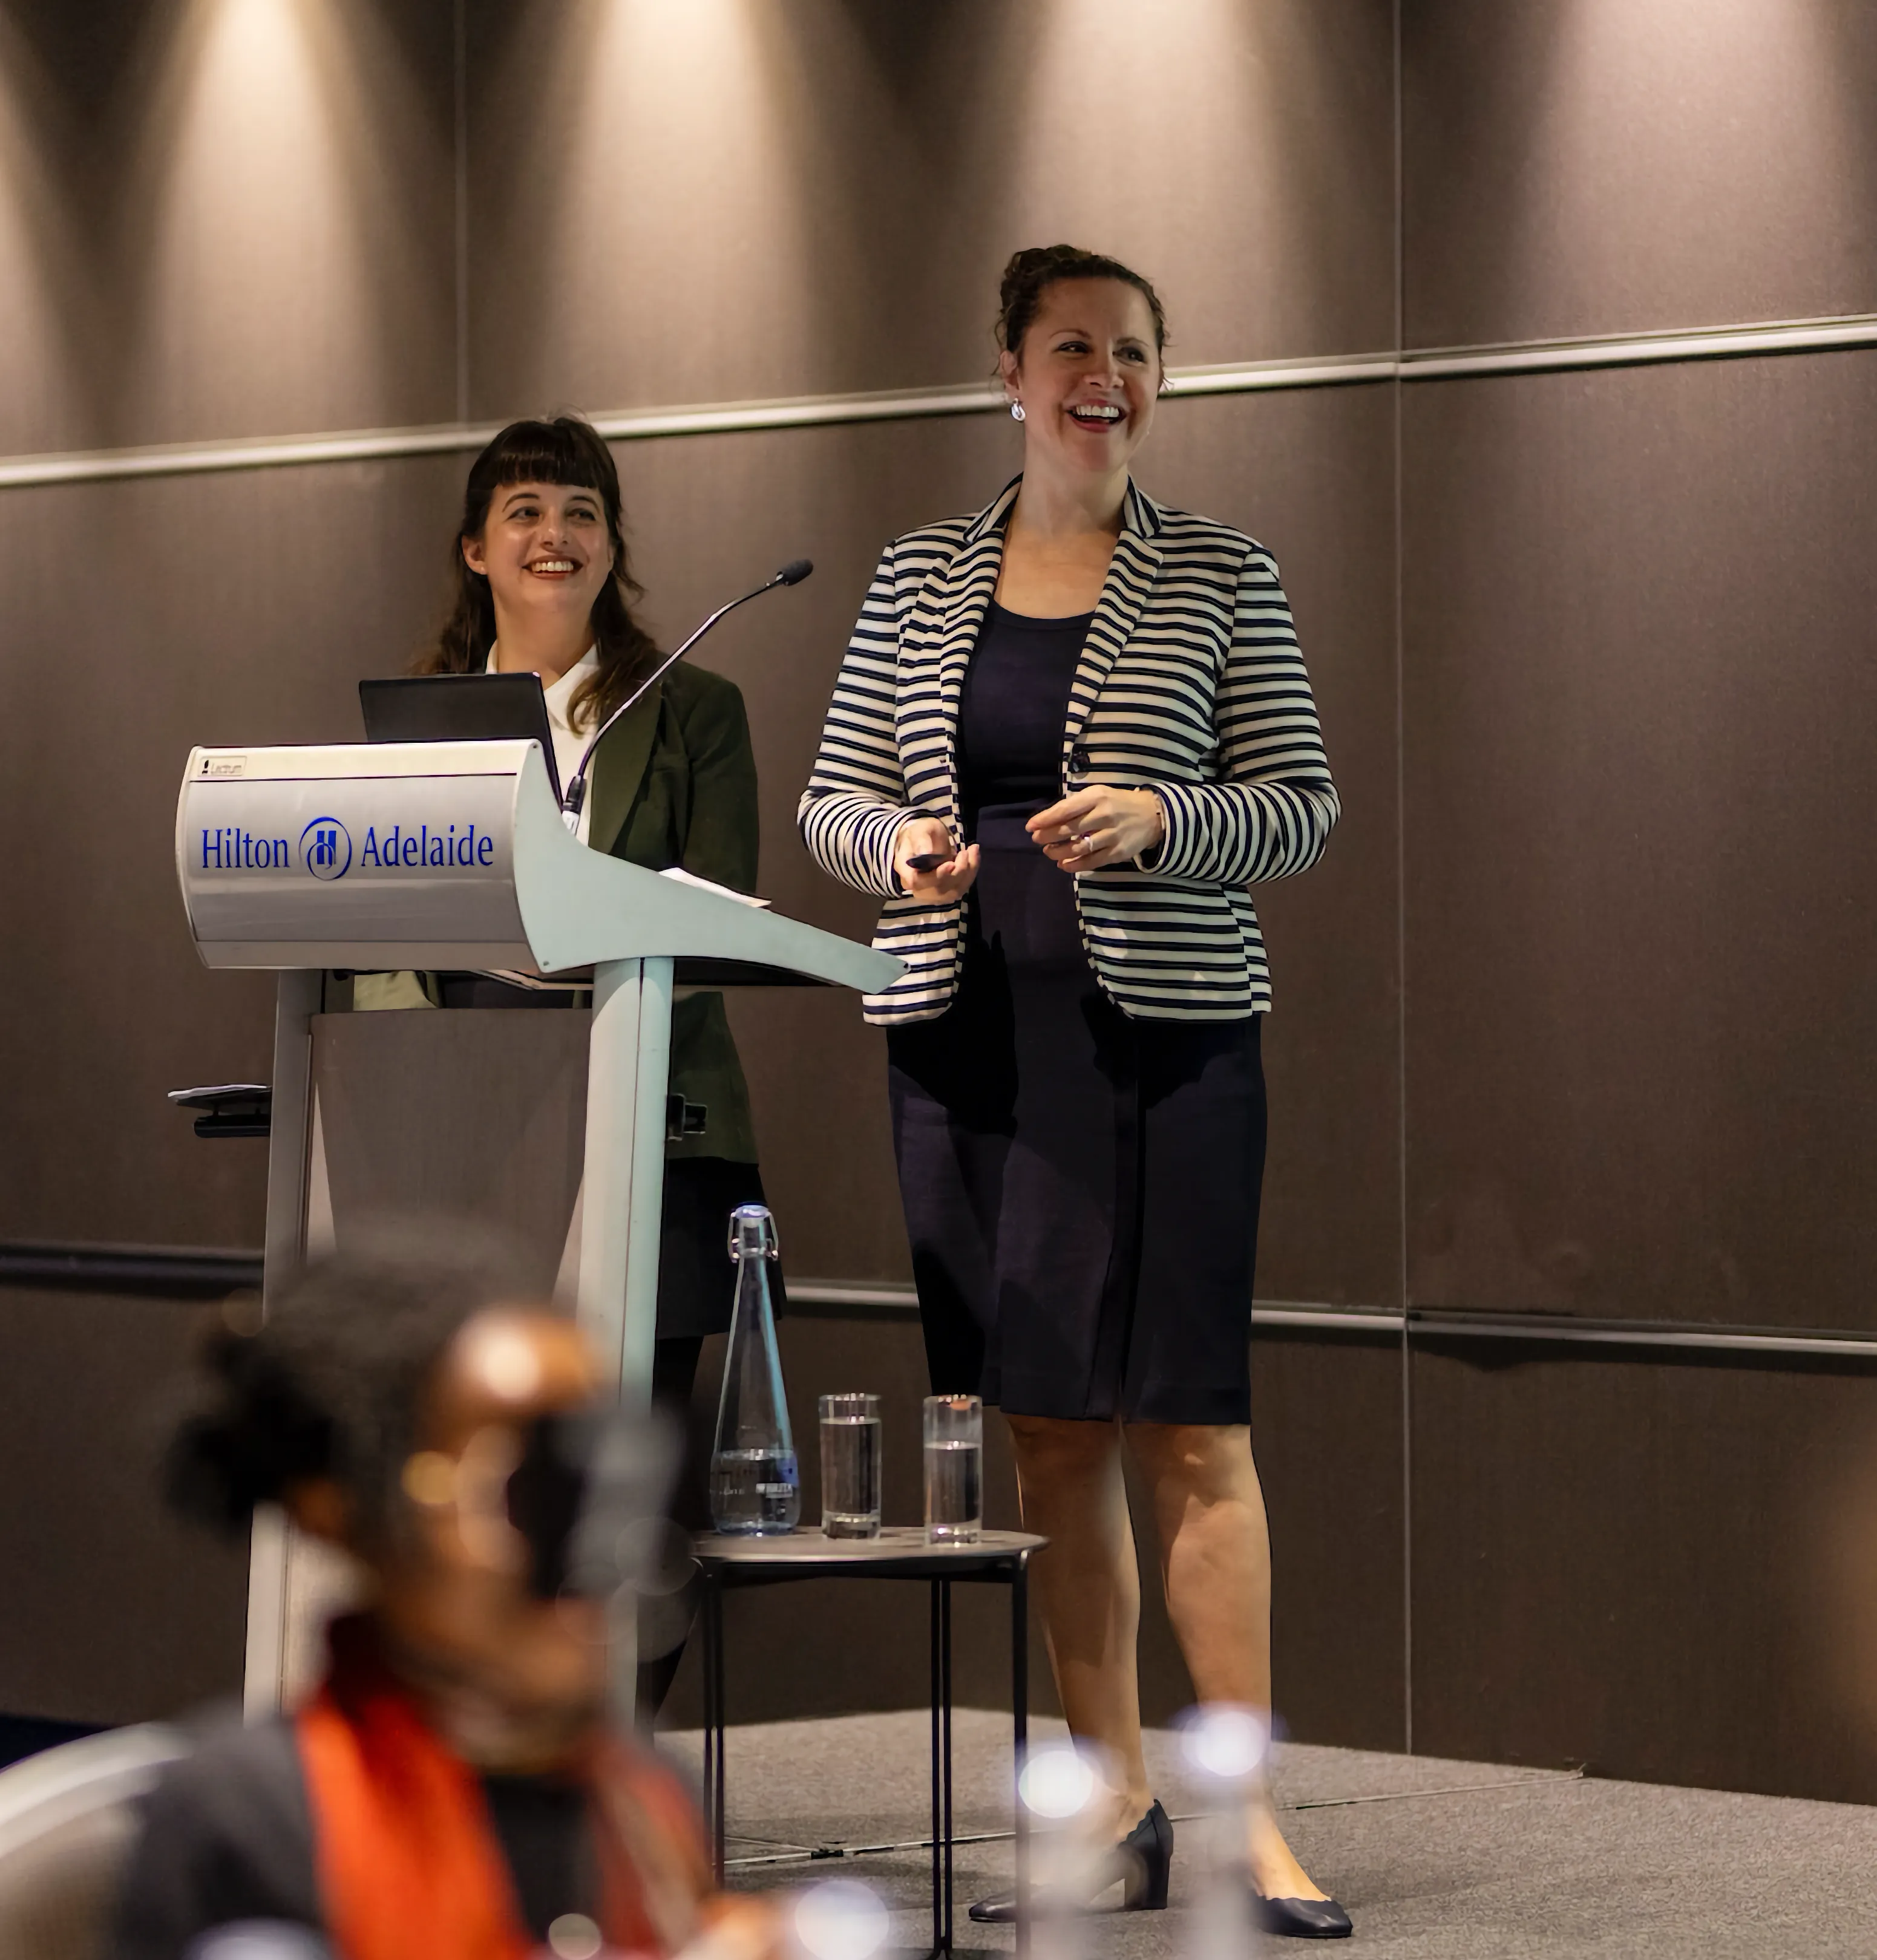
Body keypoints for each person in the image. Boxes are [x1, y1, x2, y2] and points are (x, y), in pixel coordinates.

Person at [798, 246, 1346, 1938]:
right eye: (1068, 348)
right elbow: (828, 799)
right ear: (1009, 373)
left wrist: (1164, 822)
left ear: (1155, 381)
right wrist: (889, 846)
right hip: (967, 1048)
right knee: (1042, 1433)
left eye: (1128, 351)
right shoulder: (911, 578)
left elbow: (1303, 806)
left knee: (1190, 1425)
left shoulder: (1219, 574)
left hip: (1165, 1045)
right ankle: (1110, 1799)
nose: (1099, 375)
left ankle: (1241, 1814)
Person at [388, 416, 774, 1701]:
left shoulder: (692, 713)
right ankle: (493, 1745)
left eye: (582, 512)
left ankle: (614, 1758)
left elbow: (719, 910)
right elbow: (385, 921)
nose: (555, 535)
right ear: (475, 548)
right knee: (495, 1468)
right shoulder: (426, 721)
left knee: (631, 1477)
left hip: (658, 1127)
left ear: (614, 546)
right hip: (475, 1127)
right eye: (526, 512)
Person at [113, 1240, 771, 1960]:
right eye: (525, 1490)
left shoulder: (648, 1796)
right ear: (339, 1510)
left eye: (602, 1482)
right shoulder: (245, 1815)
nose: (589, 1549)